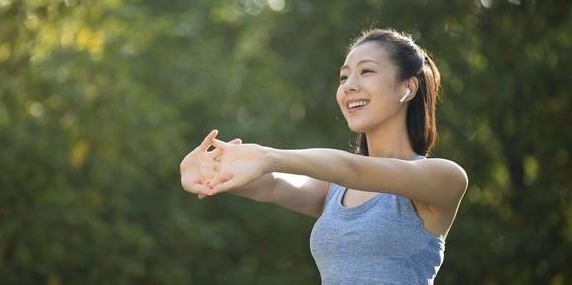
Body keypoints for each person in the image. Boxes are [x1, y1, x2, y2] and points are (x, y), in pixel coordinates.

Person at [180, 28, 468, 284]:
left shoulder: (444, 178)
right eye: (344, 77)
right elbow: (273, 185)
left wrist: (268, 156)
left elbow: (355, 169)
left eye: (366, 71)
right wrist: (212, 170)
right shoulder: (335, 188)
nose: (349, 85)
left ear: (408, 87)